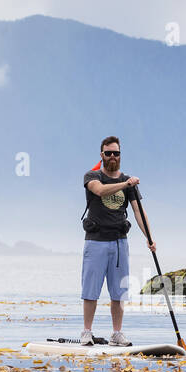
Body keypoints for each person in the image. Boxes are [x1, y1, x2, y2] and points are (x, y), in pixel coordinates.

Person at [79, 136, 155, 345]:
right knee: (91, 291)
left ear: (120, 155)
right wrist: (126, 183)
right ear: (102, 155)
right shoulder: (92, 176)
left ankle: (117, 333)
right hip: (95, 242)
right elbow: (100, 191)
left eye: (116, 153)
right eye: (108, 153)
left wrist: (149, 238)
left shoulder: (128, 182)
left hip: (120, 243)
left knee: (119, 292)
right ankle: (86, 332)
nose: (112, 156)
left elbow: (139, 211)